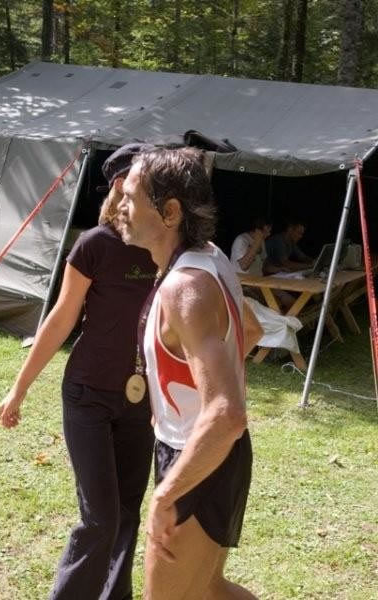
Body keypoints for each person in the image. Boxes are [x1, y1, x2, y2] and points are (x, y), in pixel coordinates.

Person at [0, 144, 157, 600]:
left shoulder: (166, 248)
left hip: (142, 398)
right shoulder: (95, 245)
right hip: (88, 393)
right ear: (122, 185)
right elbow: (61, 318)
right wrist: (19, 389)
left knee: (128, 513)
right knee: (100, 518)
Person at [118, 146, 259, 600]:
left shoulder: (185, 287)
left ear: (170, 212)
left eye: (130, 196)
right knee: (211, 590)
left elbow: (227, 414)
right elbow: (251, 329)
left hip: (197, 458)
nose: (119, 205)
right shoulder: (209, 258)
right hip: (215, 455)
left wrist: (165, 496)